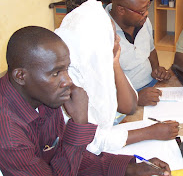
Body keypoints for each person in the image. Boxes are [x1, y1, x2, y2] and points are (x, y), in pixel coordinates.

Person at [0, 26, 172, 176]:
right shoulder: (9, 136)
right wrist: (79, 124)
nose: (67, 81)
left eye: (66, 69)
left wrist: (129, 168)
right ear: (20, 76)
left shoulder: (43, 93)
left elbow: (67, 156)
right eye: (55, 73)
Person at [55, 0, 179, 156]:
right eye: (112, 37)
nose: (118, 40)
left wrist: (114, 64)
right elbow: (93, 142)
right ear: (94, 43)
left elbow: (129, 106)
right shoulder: (67, 82)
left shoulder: (97, 62)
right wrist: (150, 132)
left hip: (114, 131)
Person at [105, 0, 171, 106]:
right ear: (121, 10)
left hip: (151, 84)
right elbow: (99, 86)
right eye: (141, 11)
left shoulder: (142, 21)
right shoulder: (102, 31)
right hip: (124, 98)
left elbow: (151, 49)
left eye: (147, 7)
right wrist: (135, 98)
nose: (146, 14)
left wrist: (156, 69)